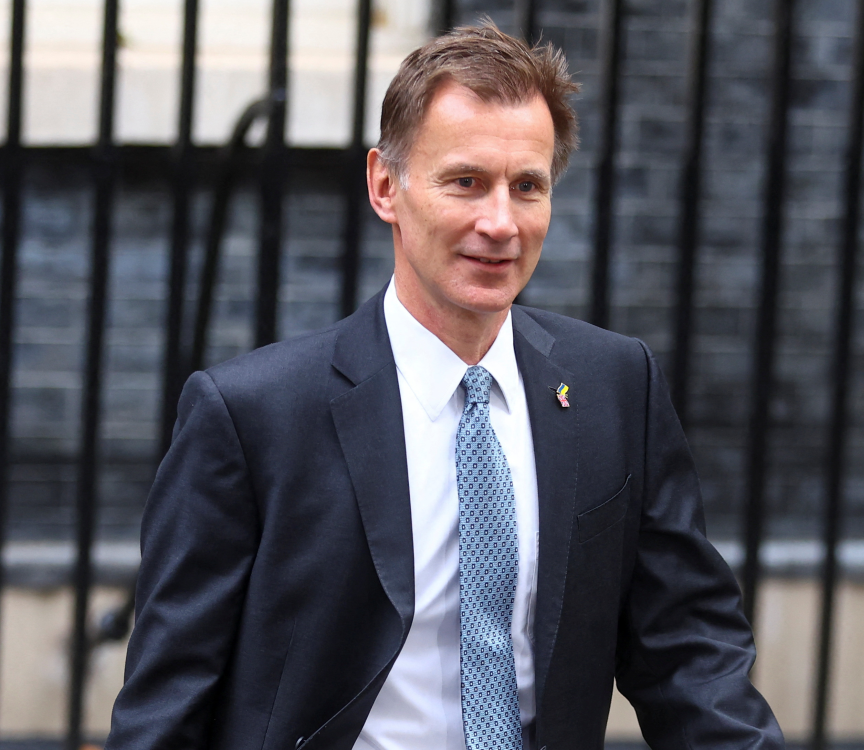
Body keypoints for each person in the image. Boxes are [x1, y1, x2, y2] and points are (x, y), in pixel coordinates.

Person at [105, 21, 783, 750]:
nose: (500, 223)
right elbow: (167, 704)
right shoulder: (252, 417)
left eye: (528, 187)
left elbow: (689, 653)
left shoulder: (615, 387)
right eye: (466, 182)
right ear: (385, 185)